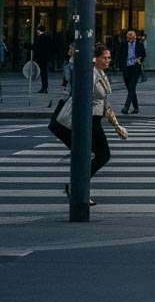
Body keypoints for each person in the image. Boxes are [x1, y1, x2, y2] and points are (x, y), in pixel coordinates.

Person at [52, 44, 128, 206]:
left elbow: (104, 103)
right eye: (104, 58)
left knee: (96, 155)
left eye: (109, 57)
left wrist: (116, 125)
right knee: (99, 155)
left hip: (94, 120)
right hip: (88, 121)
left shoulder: (100, 74)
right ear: (95, 59)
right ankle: (78, 190)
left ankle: (77, 189)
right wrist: (74, 57)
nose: (108, 60)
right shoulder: (90, 74)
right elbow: (76, 77)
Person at [116, 28, 146, 115]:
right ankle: (136, 107)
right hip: (126, 68)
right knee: (130, 88)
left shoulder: (139, 44)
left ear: (135, 36)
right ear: (126, 37)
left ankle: (126, 107)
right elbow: (119, 54)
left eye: (133, 35)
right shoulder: (123, 44)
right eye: (129, 35)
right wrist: (120, 65)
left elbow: (143, 53)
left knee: (132, 87)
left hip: (135, 68)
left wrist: (140, 58)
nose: (131, 37)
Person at [33, 24, 55, 94]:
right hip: (46, 57)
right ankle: (44, 87)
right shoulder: (49, 37)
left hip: (41, 57)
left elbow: (36, 47)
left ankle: (44, 88)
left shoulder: (40, 38)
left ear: (39, 30)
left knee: (43, 73)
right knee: (44, 73)